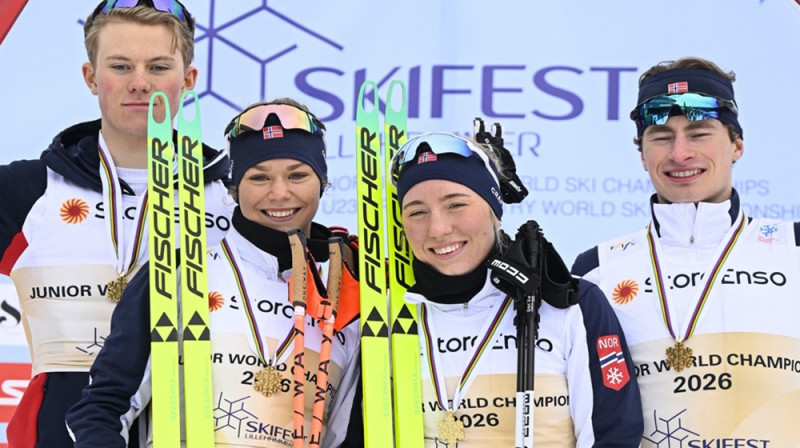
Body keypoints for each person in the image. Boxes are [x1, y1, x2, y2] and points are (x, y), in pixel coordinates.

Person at [0, 1, 233, 447]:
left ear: (188, 81)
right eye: (121, 66)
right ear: (91, 77)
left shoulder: (236, 198)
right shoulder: (28, 190)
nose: (140, 83)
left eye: (159, 67)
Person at [66, 99, 364, 448]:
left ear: (322, 182)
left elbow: (344, 434)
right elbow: (103, 408)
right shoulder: (178, 274)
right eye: (259, 177)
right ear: (233, 188)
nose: (280, 193)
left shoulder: (349, 294)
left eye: (298, 175)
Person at [571, 57, 800, 446]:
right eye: (661, 137)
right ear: (643, 155)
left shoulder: (793, 248)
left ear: (737, 146)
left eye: (698, 133)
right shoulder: (596, 269)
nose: (680, 154)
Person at [390, 124, 643, 447]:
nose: (438, 229)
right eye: (417, 212)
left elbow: (613, 434)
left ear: (494, 209)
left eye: (456, 204)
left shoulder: (567, 302)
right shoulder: (387, 316)